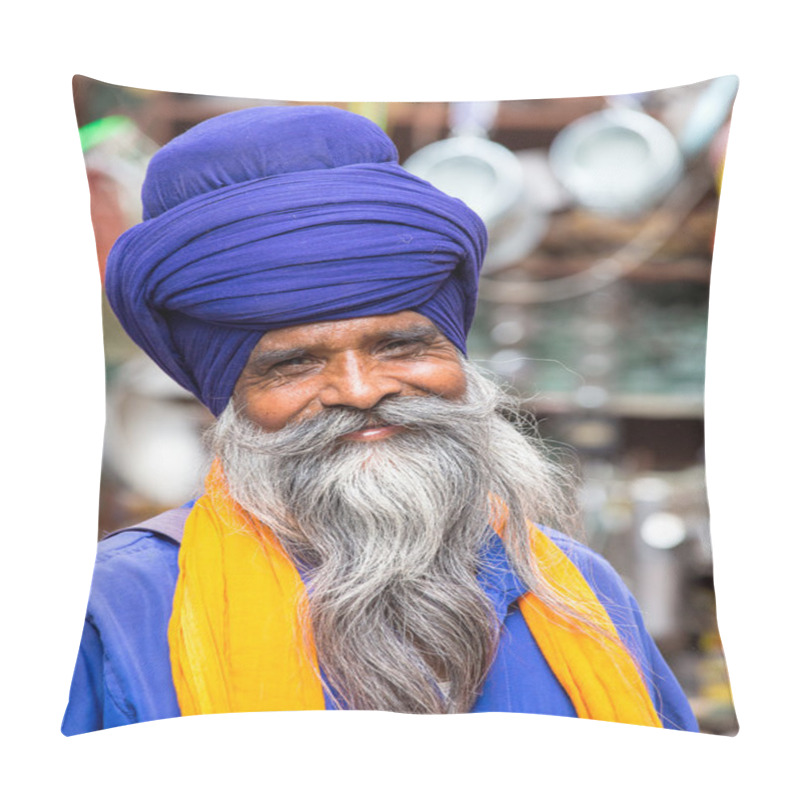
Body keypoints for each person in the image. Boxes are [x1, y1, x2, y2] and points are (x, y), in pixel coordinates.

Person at [62, 104, 698, 734]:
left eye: (401, 347)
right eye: (294, 364)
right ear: (224, 398)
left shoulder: (578, 587)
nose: (361, 391)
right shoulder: (115, 609)